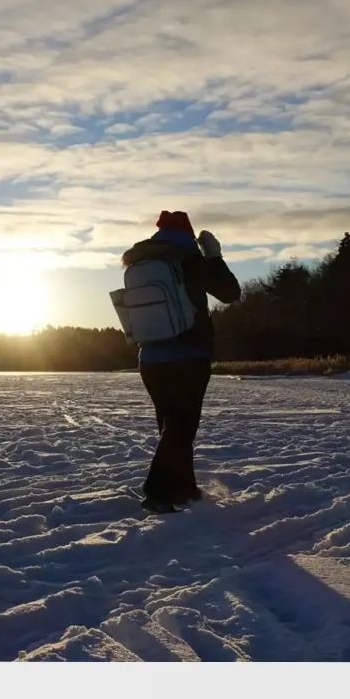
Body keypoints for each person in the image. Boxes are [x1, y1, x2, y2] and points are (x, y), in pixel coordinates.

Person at [119, 210, 241, 513]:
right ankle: (158, 492)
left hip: (149, 359)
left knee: (172, 426)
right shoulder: (190, 259)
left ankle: (184, 488)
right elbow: (230, 293)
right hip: (188, 355)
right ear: (190, 235)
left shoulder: (140, 261)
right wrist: (214, 257)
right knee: (181, 427)